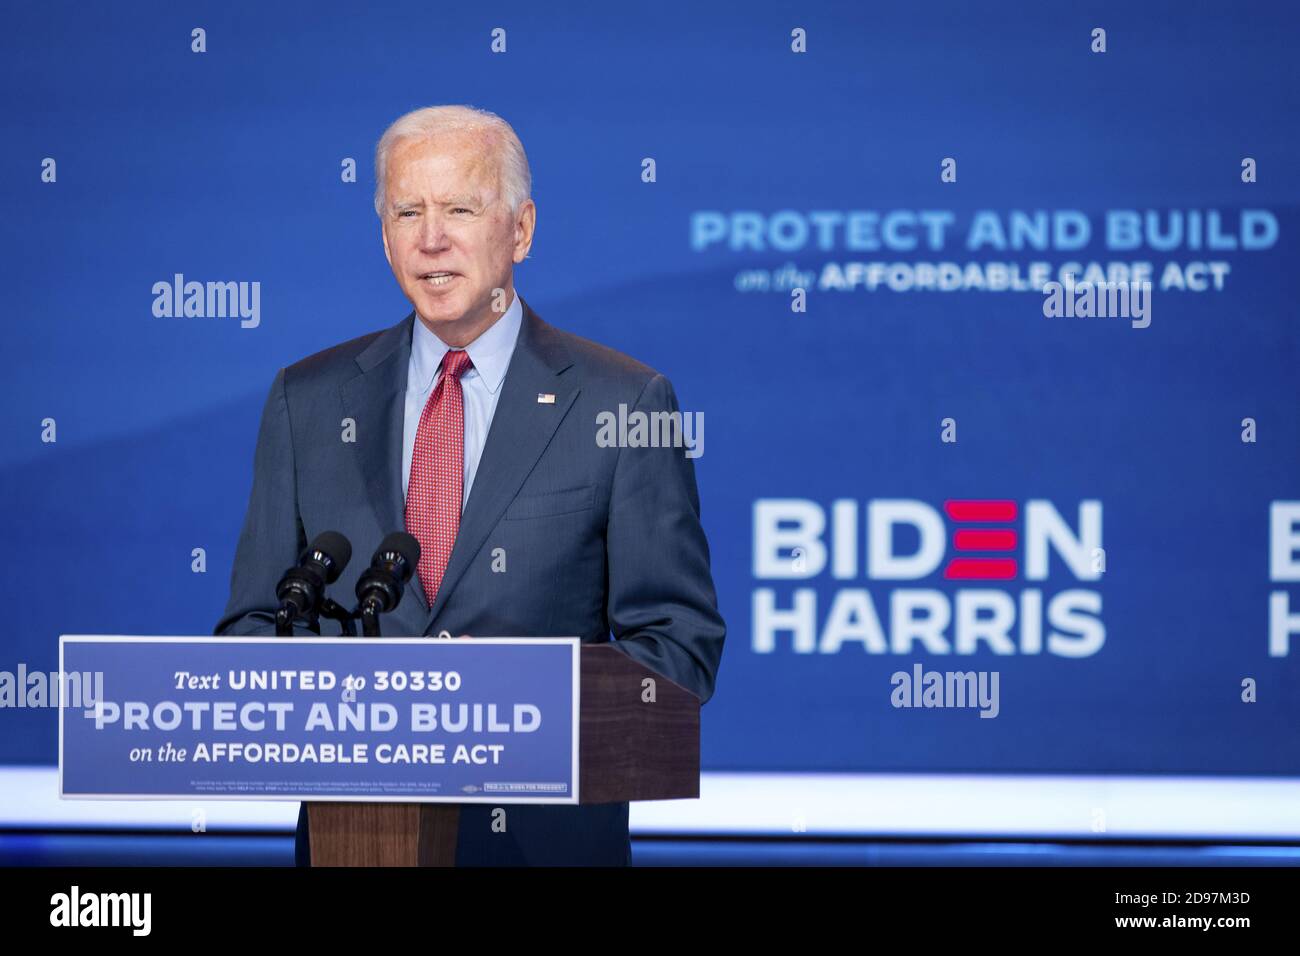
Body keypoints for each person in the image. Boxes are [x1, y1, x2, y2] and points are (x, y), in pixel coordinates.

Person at [214, 105, 726, 866]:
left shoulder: (623, 402)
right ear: (382, 234)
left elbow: (677, 648)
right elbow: (253, 630)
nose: (431, 238)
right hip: (358, 839)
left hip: (544, 845)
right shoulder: (308, 400)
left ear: (520, 229)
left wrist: (502, 719)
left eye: (459, 208)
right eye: (406, 211)